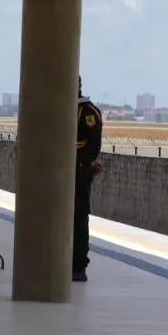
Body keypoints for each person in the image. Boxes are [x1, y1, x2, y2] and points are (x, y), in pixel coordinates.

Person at [74, 78, 104, 282]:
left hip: (78, 171)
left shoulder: (87, 112)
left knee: (77, 218)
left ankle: (77, 264)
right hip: (57, 170)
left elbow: (90, 147)